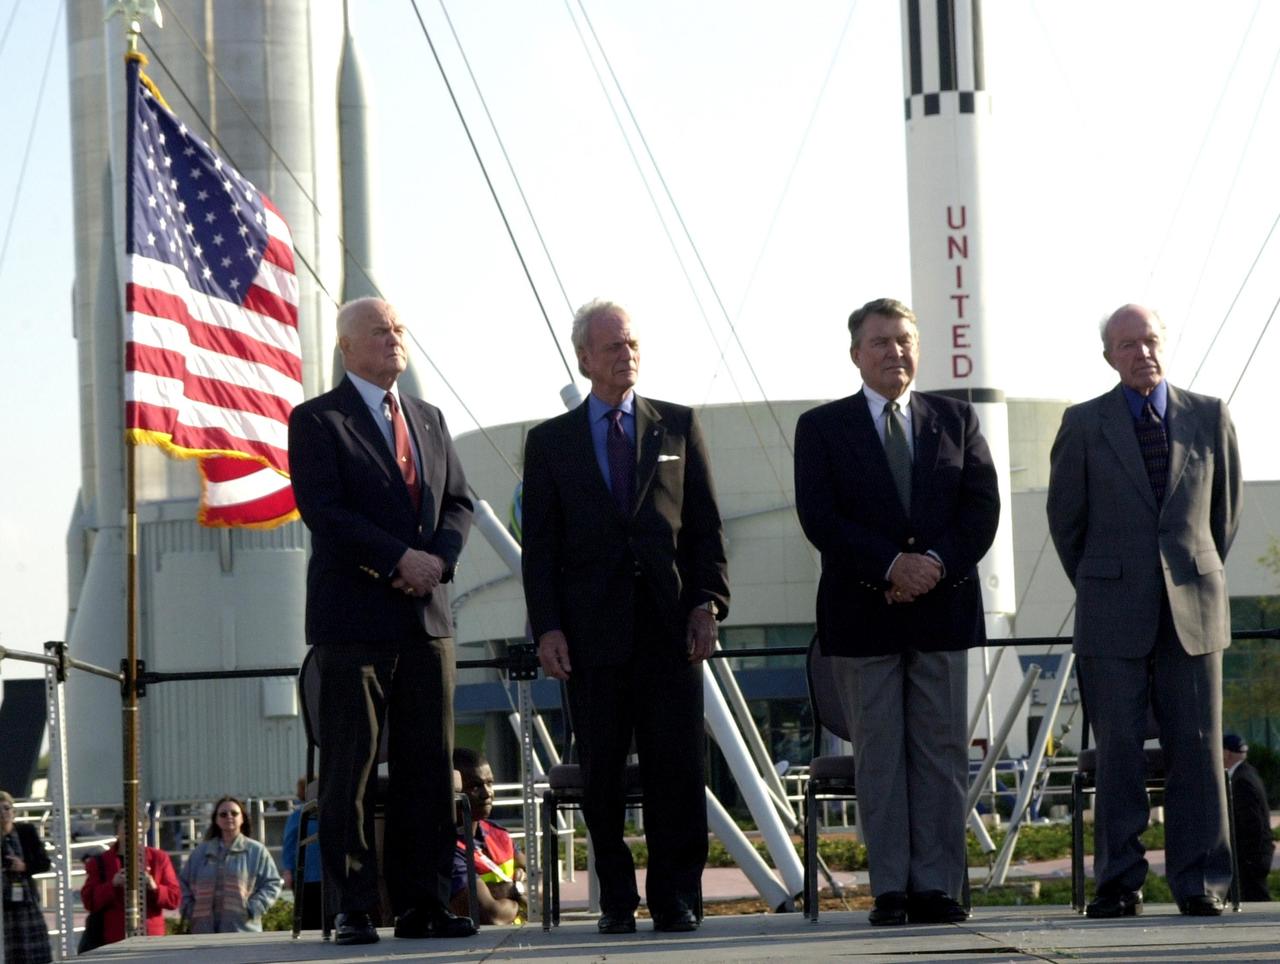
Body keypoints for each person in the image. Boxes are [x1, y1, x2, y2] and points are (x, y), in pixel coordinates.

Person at [521, 298, 729, 934]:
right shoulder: (550, 443)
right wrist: (548, 627)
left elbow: (704, 530)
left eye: (632, 343)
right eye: (612, 346)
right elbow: (542, 551)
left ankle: (675, 897)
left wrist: (707, 603)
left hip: (669, 632)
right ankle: (616, 899)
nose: (626, 354)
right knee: (602, 775)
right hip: (590, 636)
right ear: (584, 358)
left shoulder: (677, 426)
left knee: (677, 769)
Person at [793, 297, 1000, 926]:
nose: (895, 352)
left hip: (942, 610)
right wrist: (889, 567)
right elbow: (821, 517)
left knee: (940, 754)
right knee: (879, 758)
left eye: (905, 340)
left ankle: (938, 887)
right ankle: (892, 889)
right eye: (880, 342)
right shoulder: (823, 428)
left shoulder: (955, 419)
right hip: (863, 614)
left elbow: (980, 508)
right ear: (856, 354)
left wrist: (933, 564)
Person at [288, 297, 475, 945]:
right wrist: (397, 559)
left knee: (429, 766)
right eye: (379, 331)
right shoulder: (318, 421)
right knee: (353, 767)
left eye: (398, 329)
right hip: (353, 621)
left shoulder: (428, 418)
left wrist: (434, 566)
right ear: (346, 347)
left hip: (428, 622)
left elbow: (458, 504)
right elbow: (325, 511)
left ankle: (425, 902)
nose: (394, 339)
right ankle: (354, 907)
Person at [1047, 303, 1241, 918]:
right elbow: (1067, 525)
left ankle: (1200, 883)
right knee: (1121, 753)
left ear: (1165, 344)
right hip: (1112, 611)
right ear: (1109, 356)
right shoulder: (1082, 424)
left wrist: (1185, 573)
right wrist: (1110, 580)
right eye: (1127, 345)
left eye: (1150, 340)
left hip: (1194, 608)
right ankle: (1119, 884)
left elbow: (1223, 516)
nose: (1142, 353)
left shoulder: (1208, 416)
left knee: (1199, 749)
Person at [178, 795, 282, 932]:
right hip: (203, 932)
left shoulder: (256, 851)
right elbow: (182, 885)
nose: (229, 817)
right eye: (223, 814)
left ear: (242, 818)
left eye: (234, 813)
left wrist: (253, 908)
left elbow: (272, 883)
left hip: (242, 931)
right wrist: (190, 910)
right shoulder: (200, 853)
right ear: (216, 820)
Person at [80, 810, 181, 944]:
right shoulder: (100, 862)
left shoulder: (158, 858)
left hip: (151, 937)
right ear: (117, 830)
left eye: (138, 828)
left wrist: (154, 886)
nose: (132, 833)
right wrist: (112, 885)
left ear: (144, 831)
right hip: (113, 938)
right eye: (126, 828)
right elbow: (89, 901)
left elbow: (174, 899)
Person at [450, 748, 525, 925]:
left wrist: (510, 891)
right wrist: (522, 897)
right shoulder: (447, 849)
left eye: (490, 783)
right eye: (475, 786)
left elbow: (543, 888)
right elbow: (491, 915)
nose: (487, 793)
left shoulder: (500, 835)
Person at [1, 791, 53, 964]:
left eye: (6, 808)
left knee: (34, 954)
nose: (3, 813)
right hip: (3, 907)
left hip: (26, 901)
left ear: (13, 812)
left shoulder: (26, 831)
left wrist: (24, 866)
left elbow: (44, 862)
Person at [1223, 733, 1275, 901]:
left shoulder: (1240, 781)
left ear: (1226, 753)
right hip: (1255, 855)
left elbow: (1252, 823)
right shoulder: (1248, 773)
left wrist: (1248, 859)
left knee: (1256, 901)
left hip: (1250, 858)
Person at [280, 778, 323, 929]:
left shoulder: (327, 812)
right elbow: (289, 843)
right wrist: (288, 870)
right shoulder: (299, 815)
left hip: (326, 875)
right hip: (305, 875)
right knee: (308, 917)